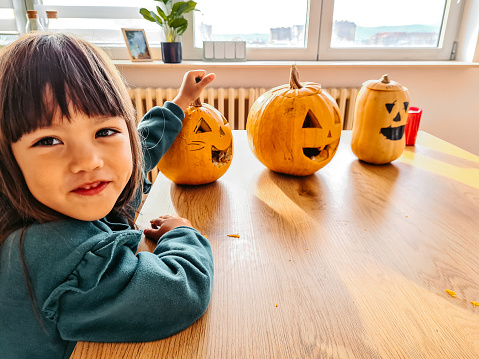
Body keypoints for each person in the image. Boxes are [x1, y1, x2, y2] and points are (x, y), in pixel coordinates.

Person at [0, 33, 215, 359]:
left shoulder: (60, 194)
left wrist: (181, 103)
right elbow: (178, 293)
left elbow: (137, 152)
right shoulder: (61, 255)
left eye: (104, 132)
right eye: (48, 141)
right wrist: (183, 235)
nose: (89, 161)